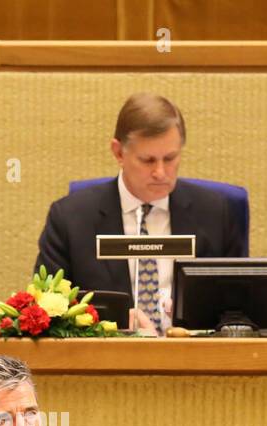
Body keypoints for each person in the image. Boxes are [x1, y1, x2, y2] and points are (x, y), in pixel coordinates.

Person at [34, 92, 247, 331]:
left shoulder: (216, 213)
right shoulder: (70, 219)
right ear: (118, 153)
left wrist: (196, 314)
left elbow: (241, 311)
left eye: (170, 158)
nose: (160, 172)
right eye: (147, 160)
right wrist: (109, 322)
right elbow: (47, 314)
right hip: (106, 360)